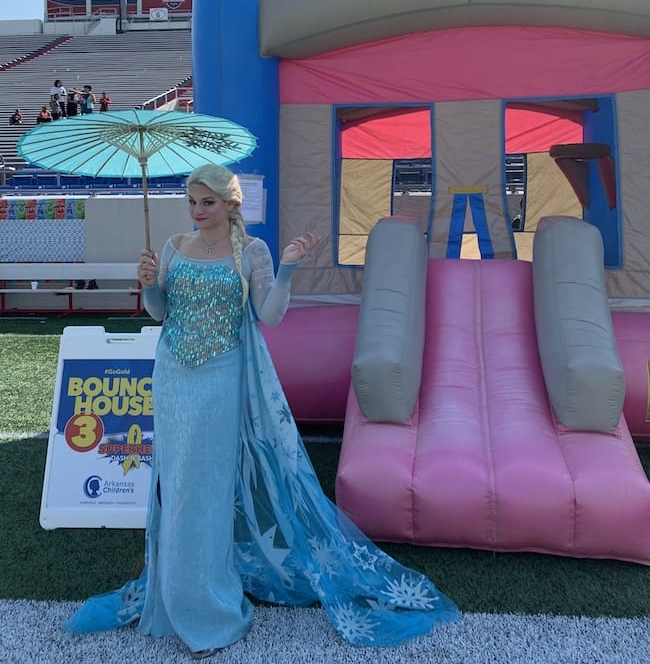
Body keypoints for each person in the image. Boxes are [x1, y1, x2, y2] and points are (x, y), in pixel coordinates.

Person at [62, 163, 459, 657]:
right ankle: (172, 591)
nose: (197, 210)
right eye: (192, 201)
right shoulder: (173, 247)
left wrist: (289, 266)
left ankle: (207, 605)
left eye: (207, 202)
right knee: (176, 486)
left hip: (220, 381)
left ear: (231, 204)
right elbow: (161, 313)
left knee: (207, 492)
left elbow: (269, 315)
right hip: (172, 381)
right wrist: (147, 284)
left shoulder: (251, 251)